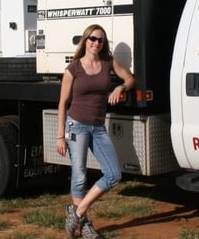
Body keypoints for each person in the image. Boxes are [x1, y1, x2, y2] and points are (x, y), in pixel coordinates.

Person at [56, 24, 135, 239]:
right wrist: (60, 135)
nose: (96, 43)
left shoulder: (108, 62)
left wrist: (120, 88)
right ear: (85, 40)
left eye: (100, 40)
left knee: (113, 174)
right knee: (80, 176)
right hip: (76, 126)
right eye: (92, 38)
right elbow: (63, 103)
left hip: (98, 127)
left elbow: (130, 78)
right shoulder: (73, 68)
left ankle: (77, 212)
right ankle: (86, 227)